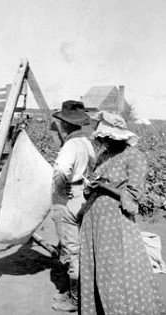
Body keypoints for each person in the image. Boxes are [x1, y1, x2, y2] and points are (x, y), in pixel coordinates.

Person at [80, 111, 164, 315]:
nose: (105, 142)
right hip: (94, 219)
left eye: (109, 138)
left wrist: (105, 186)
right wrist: (91, 186)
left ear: (120, 136)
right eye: (103, 139)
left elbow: (133, 196)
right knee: (96, 265)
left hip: (116, 221)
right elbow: (94, 180)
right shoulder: (105, 155)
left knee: (117, 269)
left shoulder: (135, 157)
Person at [51, 101, 95, 313]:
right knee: (81, 246)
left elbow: (61, 169)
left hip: (68, 198)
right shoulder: (87, 143)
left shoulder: (70, 145)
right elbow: (93, 166)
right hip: (82, 197)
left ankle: (75, 300)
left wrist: (61, 189)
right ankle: (84, 292)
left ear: (66, 125)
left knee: (72, 251)